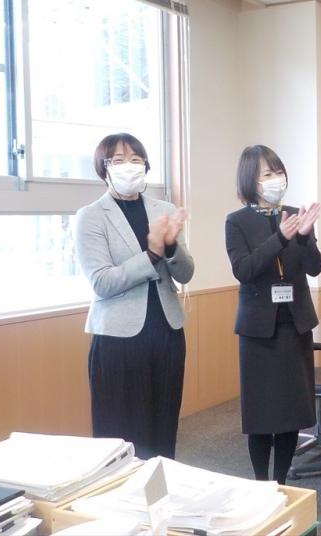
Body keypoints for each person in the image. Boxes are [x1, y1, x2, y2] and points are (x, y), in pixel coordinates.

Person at [76, 133, 194, 460]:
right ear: (104, 168)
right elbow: (102, 282)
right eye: (118, 160)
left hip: (167, 332)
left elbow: (185, 273)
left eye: (135, 159)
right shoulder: (91, 215)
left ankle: (161, 488)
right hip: (118, 339)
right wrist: (152, 255)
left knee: (163, 426)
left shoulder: (164, 210)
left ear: (145, 165)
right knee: (121, 437)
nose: (128, 166)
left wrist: (170, 247)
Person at [225, 145, 321, 484]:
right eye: (267, 173)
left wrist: (305, 237)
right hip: (258, 331)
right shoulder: (236, 221)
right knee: (261, 414)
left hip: (295, 324)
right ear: (250, 180)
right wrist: (280, 238)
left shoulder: (296, 214)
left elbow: (315, 267)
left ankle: (280, 483)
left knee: (290, 413)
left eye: (278, 171)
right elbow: (244, 269)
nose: (276, 179)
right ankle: (260, 482)